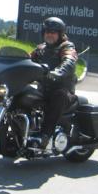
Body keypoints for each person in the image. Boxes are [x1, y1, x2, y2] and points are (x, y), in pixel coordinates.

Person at [30, 17, 78, 149]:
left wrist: (57, 72)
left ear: (60, 34)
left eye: (53, 32)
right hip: (43, 92)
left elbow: (69, 61)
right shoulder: (41, 49)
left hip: (64, 93)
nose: (49, 34)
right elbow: (27, 60)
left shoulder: (67, 46)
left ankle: (45, 136)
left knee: (59, 96)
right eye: (47, 31)